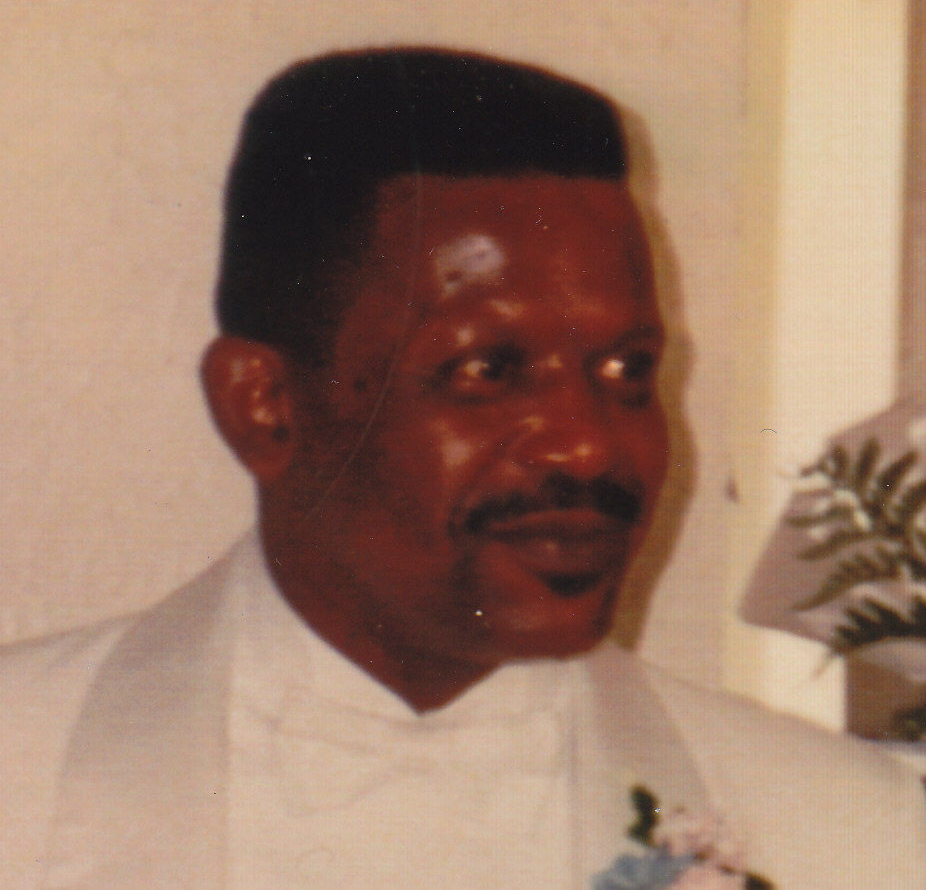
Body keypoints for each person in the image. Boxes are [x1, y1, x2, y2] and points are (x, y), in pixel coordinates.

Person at [1, 48, 922, 889]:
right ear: (263, 405)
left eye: (626, 370)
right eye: (489, 369)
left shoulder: (853, 836)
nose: (588, 444)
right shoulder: (20, 774)